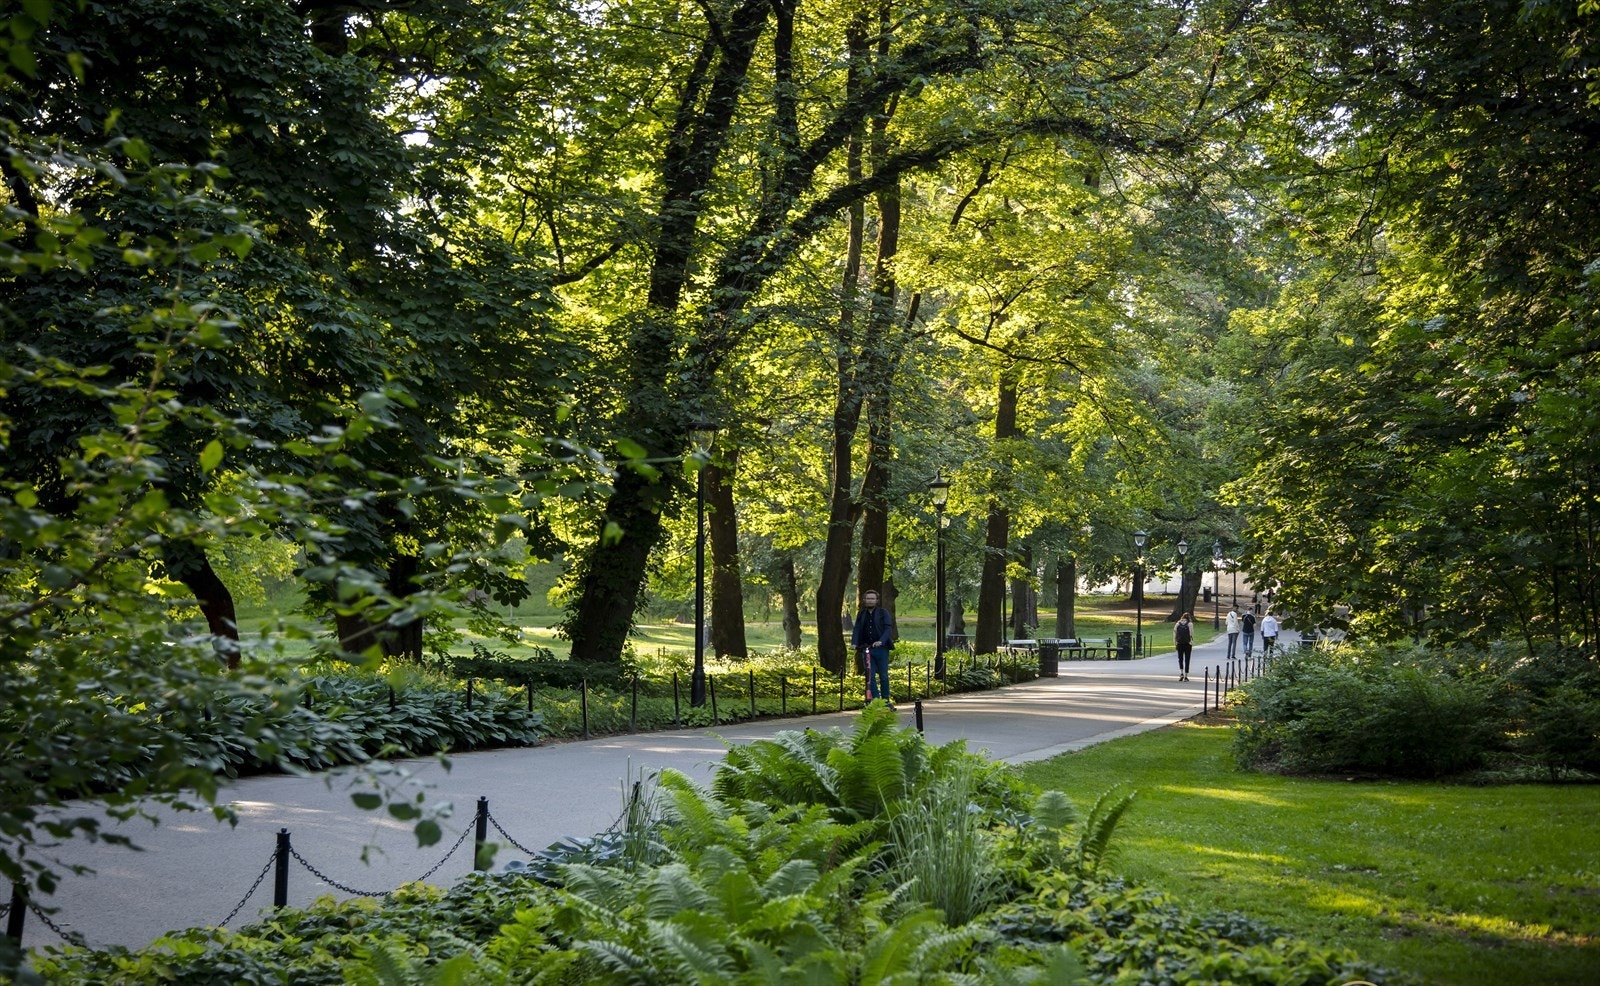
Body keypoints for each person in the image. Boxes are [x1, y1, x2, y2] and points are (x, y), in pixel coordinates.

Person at [851, 589, 895, 708]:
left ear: (876, 600)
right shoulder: (861, 614)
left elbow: (888, 629)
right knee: (869, 675)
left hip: (881, 649)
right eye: (868, 598)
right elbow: (857, 629)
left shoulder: (883, 612)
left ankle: (885, 700)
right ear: (864, 600)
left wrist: (881, 641)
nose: (870, 601)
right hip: (867, 648)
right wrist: (854, 643)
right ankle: (876, 700)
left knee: (883, 675)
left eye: (872, 599)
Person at [1174, 612, 1194, 681]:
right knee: (1187, 659)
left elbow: (1174, 634)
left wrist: (1175, 643)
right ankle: (1186, 676)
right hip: (1187, 644)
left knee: (1180, 659)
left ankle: (1181, 673)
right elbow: (1191, 634)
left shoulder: (1177, 624)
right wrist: (1191, 641)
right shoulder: (1190, 624)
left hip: (1179, 643)